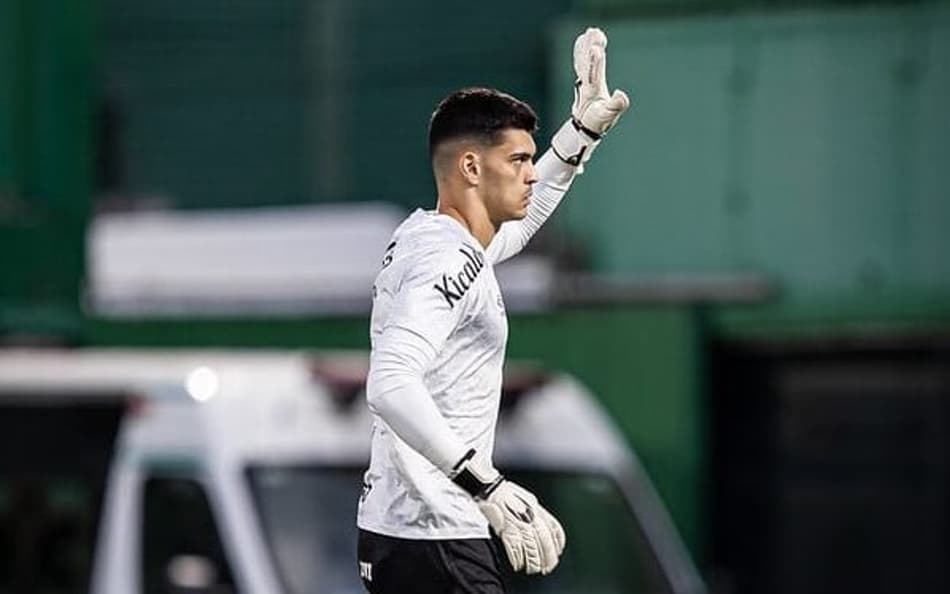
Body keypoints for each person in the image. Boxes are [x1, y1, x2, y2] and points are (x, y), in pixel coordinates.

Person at [356, 27, 630, 594]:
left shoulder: (437, 241)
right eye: (519, 160)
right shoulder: (446, 257)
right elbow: (389, 382)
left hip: (406, 532)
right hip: (436, 535)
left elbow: (525, 220)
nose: (531, 173)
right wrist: (487, 485)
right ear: (473, 169)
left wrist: (581, 133)